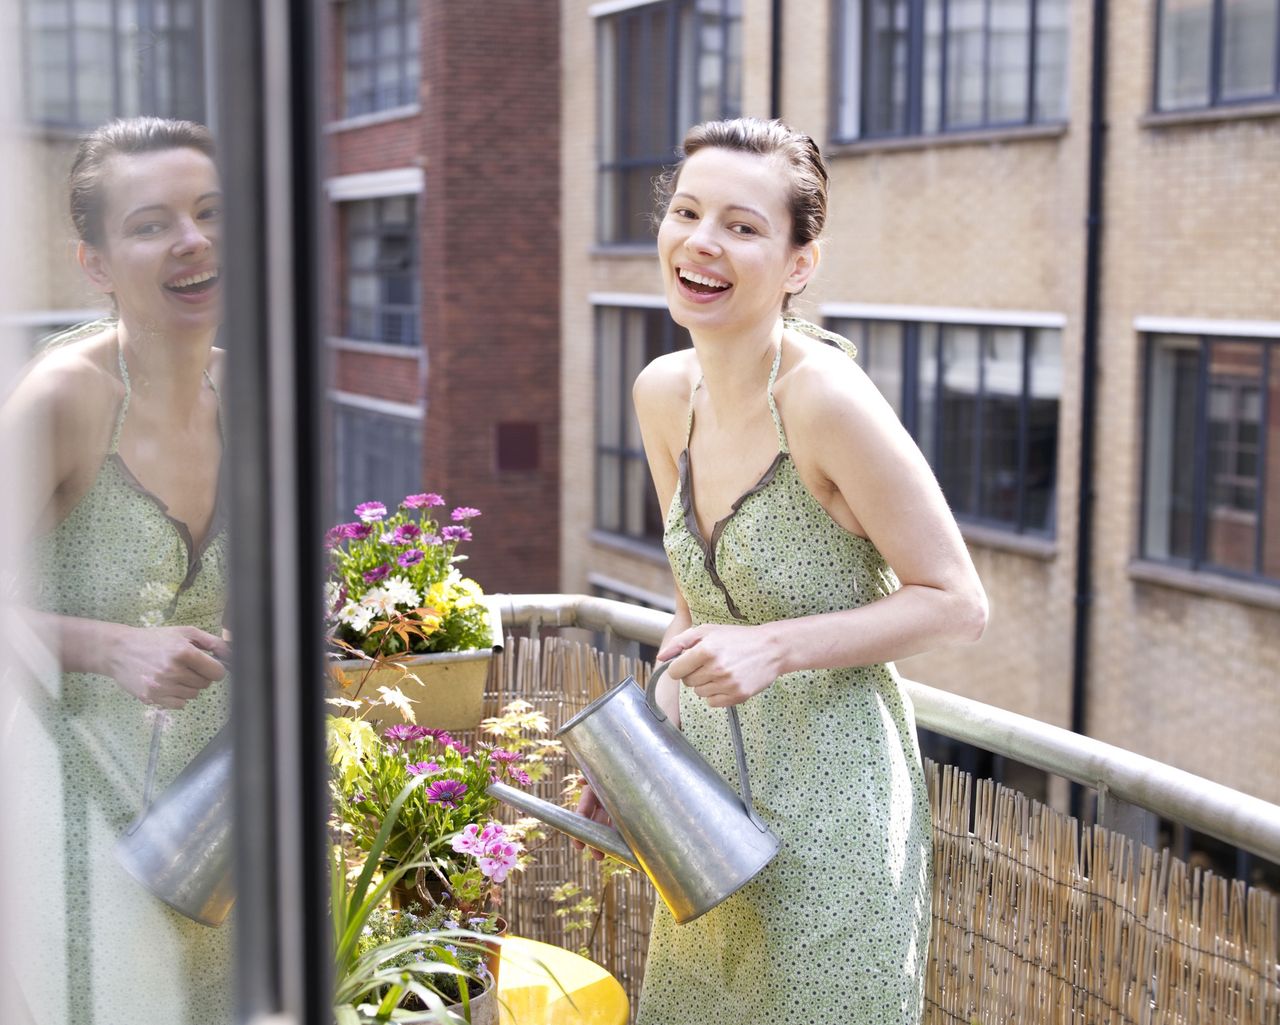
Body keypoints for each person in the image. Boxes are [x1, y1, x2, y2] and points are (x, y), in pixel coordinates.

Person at [577, 118, 989, 1024]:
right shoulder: (660, 392)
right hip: (708, 816)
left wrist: (777, 648)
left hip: (837, 815)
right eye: (686, 212)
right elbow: (692, 613)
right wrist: (643, 765)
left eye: (744, 225)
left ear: (800, 264)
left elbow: (959, 602)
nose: (702, 242)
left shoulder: (826, 400)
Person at [3, 117, 232, 1024]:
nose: (193, 240)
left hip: (218, 820)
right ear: (94, 263)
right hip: (77, 823)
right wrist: (110, 647)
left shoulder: (246, 394)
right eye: (151, 223)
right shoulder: (64, 397)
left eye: (212, 211)